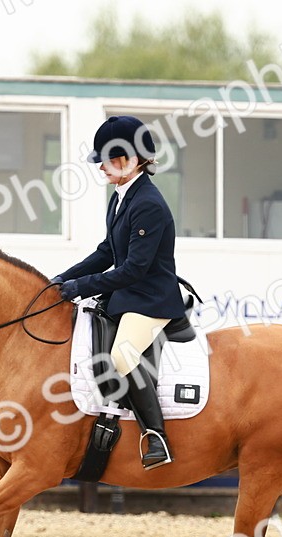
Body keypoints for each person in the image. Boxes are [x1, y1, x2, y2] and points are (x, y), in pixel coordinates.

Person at [51, 115, 187, 470]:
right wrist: (59, 280)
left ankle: (155, 436)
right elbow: (107, 252)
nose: (101, 167)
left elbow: (133, 270)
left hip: (151, 299)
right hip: (128, 295)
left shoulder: (148, 204)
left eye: (108, 160)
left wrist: (80, 288)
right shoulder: (120, 197)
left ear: (132, 159)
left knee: (122, 356)